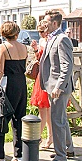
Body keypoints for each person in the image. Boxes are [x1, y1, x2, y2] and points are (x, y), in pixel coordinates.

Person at [0, 21, 28, 161]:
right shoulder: (24, 47)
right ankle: (19, 156)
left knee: (0, 121)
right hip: (21, 85)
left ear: (3, 33)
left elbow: (0, 71)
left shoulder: (3, 47)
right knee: (19, 121)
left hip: (9, 85)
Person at [39, 10, 75, 161]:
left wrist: (59, 86)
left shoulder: (62, 39)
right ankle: (68, 148)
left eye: (46, 22)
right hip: (51, 85)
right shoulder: (52, 37)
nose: (44, 24)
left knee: (57, 121)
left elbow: (67, 66)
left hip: (58, 88)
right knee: (61, 119)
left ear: (54, 23)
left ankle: (61, 157)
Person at [28, 20, 52, 151]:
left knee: (47, 111)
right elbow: (39, 59)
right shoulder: (43, 41)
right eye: (39, 32)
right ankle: (47, 137)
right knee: (44, 110)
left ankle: (38, 137)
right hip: (41, 76)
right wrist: (36, 49)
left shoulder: (51, 41)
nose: (41, 34)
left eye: (42, 31)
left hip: (48, 77)